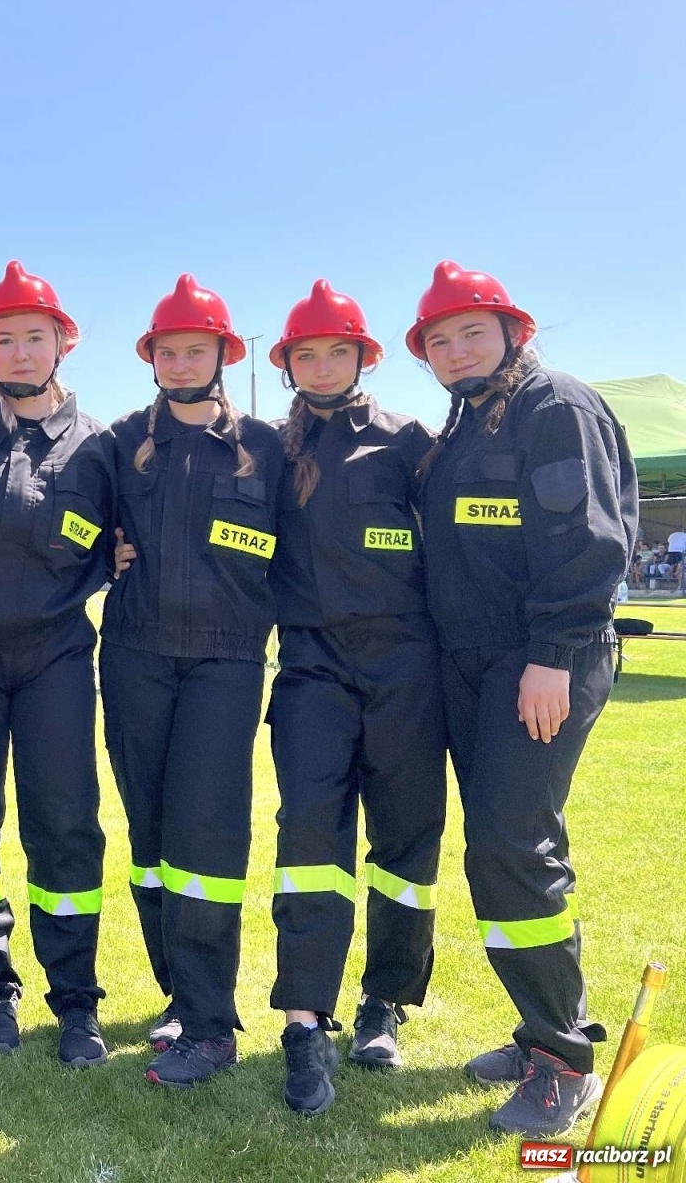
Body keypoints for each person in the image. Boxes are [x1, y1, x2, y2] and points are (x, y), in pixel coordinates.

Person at [412, 260, 637, 1136]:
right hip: (473, 662)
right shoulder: (468, 424)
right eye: (439, 339)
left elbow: (586, 540)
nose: (455, 349)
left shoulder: (556, 407)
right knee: (503, 848)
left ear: (514, 333)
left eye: (472, 332)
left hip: (540, 660)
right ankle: (544, 1029)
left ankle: (564, 1061)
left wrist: (553, 654)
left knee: (513, 844)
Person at [263, 281, 445, 1115]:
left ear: (365, 357)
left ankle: (385, 1002)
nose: (323, 366)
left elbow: (457, 549)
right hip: (312, 669)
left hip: (406, 669)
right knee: (309, 835)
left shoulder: (411, 443)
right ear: (288, 364)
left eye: (339, 351)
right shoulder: (271, 452)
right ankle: (305, 1022)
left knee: (406, 840)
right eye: (307, 354)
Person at [99, 274, 285, 1091]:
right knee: (150, 842)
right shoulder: (118, 444)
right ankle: (179, 994)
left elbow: (305, 550)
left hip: (225, 664)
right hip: (134, 657)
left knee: (205, 840)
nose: (181, 364)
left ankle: (211, 1026)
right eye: (168, 351)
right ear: (151, 358)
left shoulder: (267, 448)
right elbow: (73, 527)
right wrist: (103, 553)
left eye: (195, 350)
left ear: (222, 355)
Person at [0, 261, 114, 1068]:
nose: (20, 350)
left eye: (34, 336)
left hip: (57, 656)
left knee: (65, 823)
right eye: (3, 338)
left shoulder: (102, 447)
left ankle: (75, 999)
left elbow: (133, 539)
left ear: (62, 343)